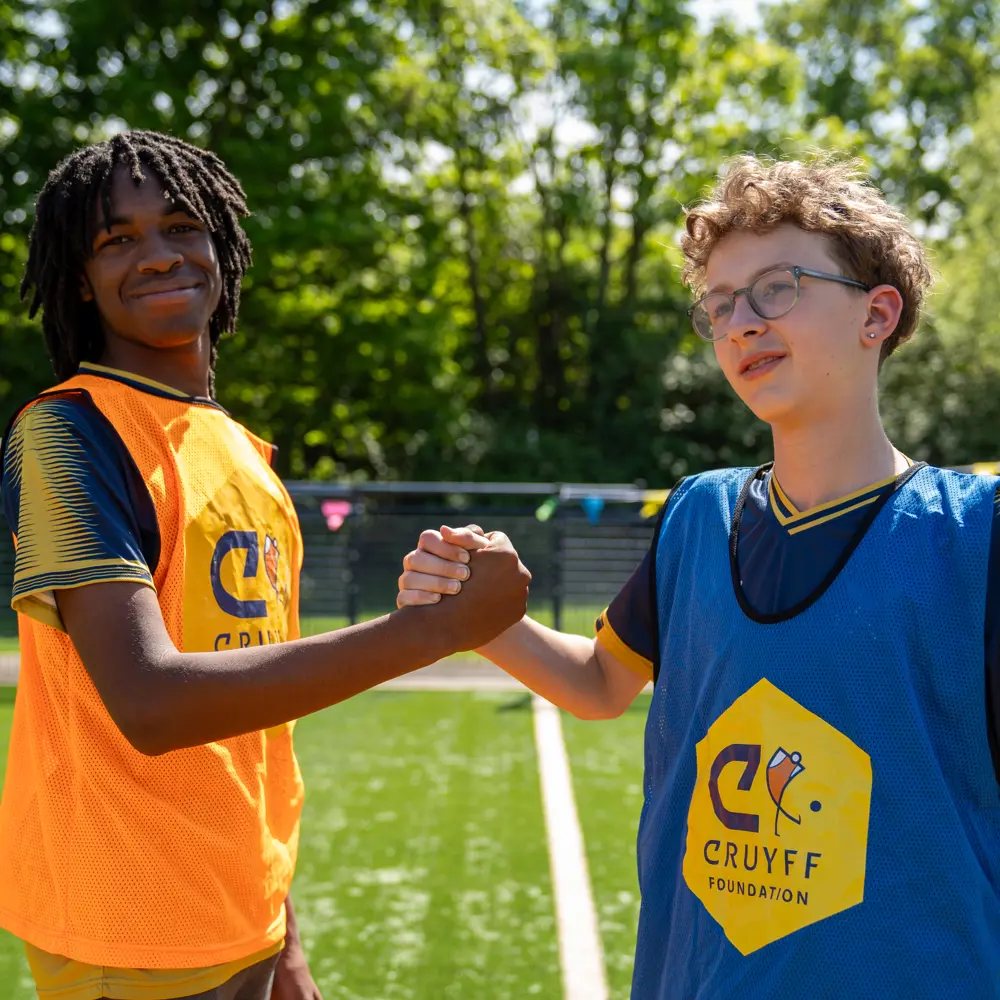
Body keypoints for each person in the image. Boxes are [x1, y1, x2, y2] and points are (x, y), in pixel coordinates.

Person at [396, 155, 1000, 996]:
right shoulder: (696, 516)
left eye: (777, 287)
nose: (740, 322)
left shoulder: (975, 533)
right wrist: (483, 620)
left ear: (877, 313)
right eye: (719, 305)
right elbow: (604, 682)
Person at [0, 130, 530, 1000]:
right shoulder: (66, 433)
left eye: (181, 224)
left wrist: (284, 934)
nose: (158, 254)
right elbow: (150, 700)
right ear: (78, 277)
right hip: (126, 927)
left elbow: (257, 730)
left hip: (241, 909)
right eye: (116, 240)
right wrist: (432, 632)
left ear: (222, 246)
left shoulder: (245, 454)